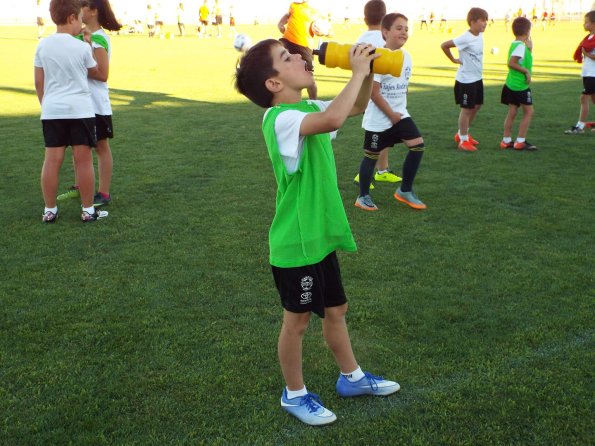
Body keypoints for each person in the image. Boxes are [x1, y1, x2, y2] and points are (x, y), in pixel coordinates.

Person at [234, 39, 400, 426]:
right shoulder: (281, 120)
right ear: (274, 84)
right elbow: (334, 120)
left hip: (320, 236)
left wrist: (368, 68)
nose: (300, 57)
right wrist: (358, 72)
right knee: (298, 321)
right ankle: (293, 394)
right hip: (297, 241)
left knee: (336, 309)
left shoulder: (306, 106)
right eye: (286, 58)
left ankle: (352, 378)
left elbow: (355, 106)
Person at [34, 0, 108, 223]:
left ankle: (50, 210)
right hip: (80, 110)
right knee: (83, 160)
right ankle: (88, 210)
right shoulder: (81, 46)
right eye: (79, 18)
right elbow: (95, 71)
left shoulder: (43, 45)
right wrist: (88, 42)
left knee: (52, 160)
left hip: (52, 110)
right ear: (71, 18)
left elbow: (39, 82)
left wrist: (46, 105)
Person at [355, 13, 426, 212]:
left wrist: (399, 111)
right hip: (379, 119)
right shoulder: (377, 57)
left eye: (406, 28)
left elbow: (402, 85)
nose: (404, 32)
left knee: (418, 146)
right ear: (385, 32)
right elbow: (374, 93)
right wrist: (391, 115)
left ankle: (404, 190)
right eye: (399, 28)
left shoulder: (407, 56)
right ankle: (363, 196)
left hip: (400, 114)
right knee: (371, 156)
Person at [353, 0, 400, 189]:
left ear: (365, 18)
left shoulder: (360, 39)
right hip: (380, 95)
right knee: (376, 136)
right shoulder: (385, 39)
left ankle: (382, 171)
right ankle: (363, 175)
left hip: (366, 93)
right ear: (384, 17)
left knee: (384, 133)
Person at [80, 0, 121, 206]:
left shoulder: (98, 39)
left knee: (101, 146)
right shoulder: (82, 36)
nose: (79, 9)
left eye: (83, 5)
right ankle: (82, 184)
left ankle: (103, 193)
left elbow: (103, 74)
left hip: (96, 104)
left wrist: (80, 68)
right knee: (80, 144)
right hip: (81, 102)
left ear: (94, 11)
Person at [440, 8, 488, 151]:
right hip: (466, 80)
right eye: (482, 20)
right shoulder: (465, 37)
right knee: (466, 109)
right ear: (472, 22)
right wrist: (453, 59)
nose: (485, 23)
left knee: (477, 106)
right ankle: (463, 141)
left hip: (477, 78)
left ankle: (462, 133)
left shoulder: (479, 36)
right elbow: (444, 45)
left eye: (486, 20)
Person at [499, 17, 538, 151]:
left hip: (511, 84)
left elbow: (522, 60)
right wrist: (526, 72)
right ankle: (520, 141)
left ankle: (506, 140)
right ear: (527, 32)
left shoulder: (515, 44)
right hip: (520, 86)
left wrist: (530, 49)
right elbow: (512, 63)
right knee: (528, 112)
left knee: (512, 111)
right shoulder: (520, 47)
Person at [277, 0, 320, 99]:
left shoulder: (315, 12)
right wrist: (280, 24)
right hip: (287, 40)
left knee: (309, 78)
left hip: (304, 46)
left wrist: (322, 32)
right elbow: (287, 15)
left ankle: (314, 102)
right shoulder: (294, 5)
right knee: (276, 63)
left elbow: (323, 29)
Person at [565, 10, 595, 134]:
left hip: (593, 74)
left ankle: (579, 127)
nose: (584, 24)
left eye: (586, 22)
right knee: (593, 99)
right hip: (588, 73)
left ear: (593, 23)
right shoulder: (588, 37)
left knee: (584, 98)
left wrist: (585, 53)